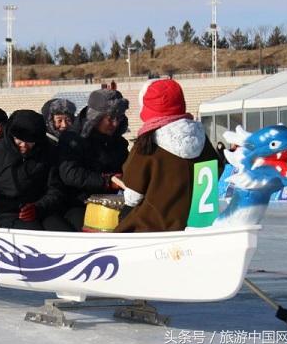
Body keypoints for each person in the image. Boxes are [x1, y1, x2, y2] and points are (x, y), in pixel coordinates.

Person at [115, 79, 219, 233]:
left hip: (152, 228)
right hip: (199, 226)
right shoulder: (203, 140)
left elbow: (133, 195)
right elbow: (216, 174)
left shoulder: (147, 143)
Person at [0, 110, 69, 231]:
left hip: (41, 209)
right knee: (34, 233)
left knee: (62, 232)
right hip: (7, 213)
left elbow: (56, 189)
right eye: (19, 140)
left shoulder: (48, 152)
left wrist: (39, 207)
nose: (23, 145)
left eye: (29, 142)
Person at [57, 89, 130, 231]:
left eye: (119, 118)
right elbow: (70, 174)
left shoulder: (118, 142)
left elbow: (126, 167)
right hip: (76, 203)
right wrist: (107, 181)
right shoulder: (72, 138)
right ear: (96, 117)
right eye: (110, 118)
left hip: (111, 202)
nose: (115, 124)